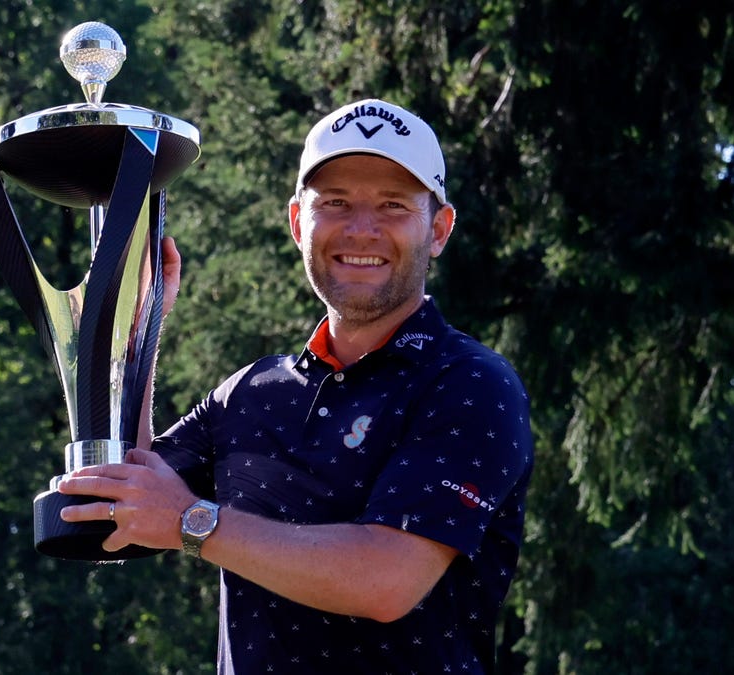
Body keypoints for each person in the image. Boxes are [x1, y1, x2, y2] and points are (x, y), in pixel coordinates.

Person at [58, 98, 534, 674]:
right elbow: (130, 499)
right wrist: (135, 330)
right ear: (297, 223)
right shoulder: (253, 391)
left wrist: (193, 523)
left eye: (392, 205)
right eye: (335, 202)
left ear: (438, 229)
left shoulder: (470, 384)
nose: (362, 228)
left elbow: (386, 580)